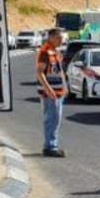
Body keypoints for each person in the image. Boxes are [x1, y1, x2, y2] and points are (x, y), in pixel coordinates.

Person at [36, 28, 68, 158]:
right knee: (52, 120)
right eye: (59, 38)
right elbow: (39, 72)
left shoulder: (54, 51)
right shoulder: (45, 52)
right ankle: (50, 147)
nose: (62, 40)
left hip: (58, 92)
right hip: (51, 93)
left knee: (55, 120)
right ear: (51, 37)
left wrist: (65, 88)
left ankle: (50, 145)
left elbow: (58, 72)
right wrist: (48, 89)